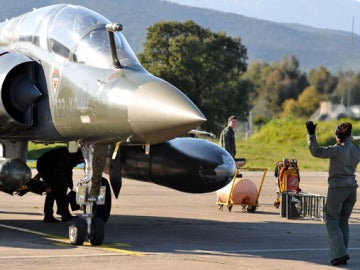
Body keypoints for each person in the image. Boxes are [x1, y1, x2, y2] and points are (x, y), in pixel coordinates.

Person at [305, 121, 360, 266]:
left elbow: (316, 151)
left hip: (338, 188)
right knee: (343, 221)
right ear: (349, 135)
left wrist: (311, 135)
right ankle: (342, 252)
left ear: (338, 136)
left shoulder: (337, 150)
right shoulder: (355, 149)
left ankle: (339, 254)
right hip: (352, 189)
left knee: (331, 219)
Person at [36, 147, 84, 223]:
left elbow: (67, 170)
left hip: (47, 164)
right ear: (82, 156)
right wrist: (65, 184)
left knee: (57, 191)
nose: (82, 163)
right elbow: (62, 170)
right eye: (83, 161)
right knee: (55, 191)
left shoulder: (73, 156)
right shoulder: (70, 157)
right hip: (47, 166)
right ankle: (57, 215)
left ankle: (60, 214)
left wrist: (69, 185)